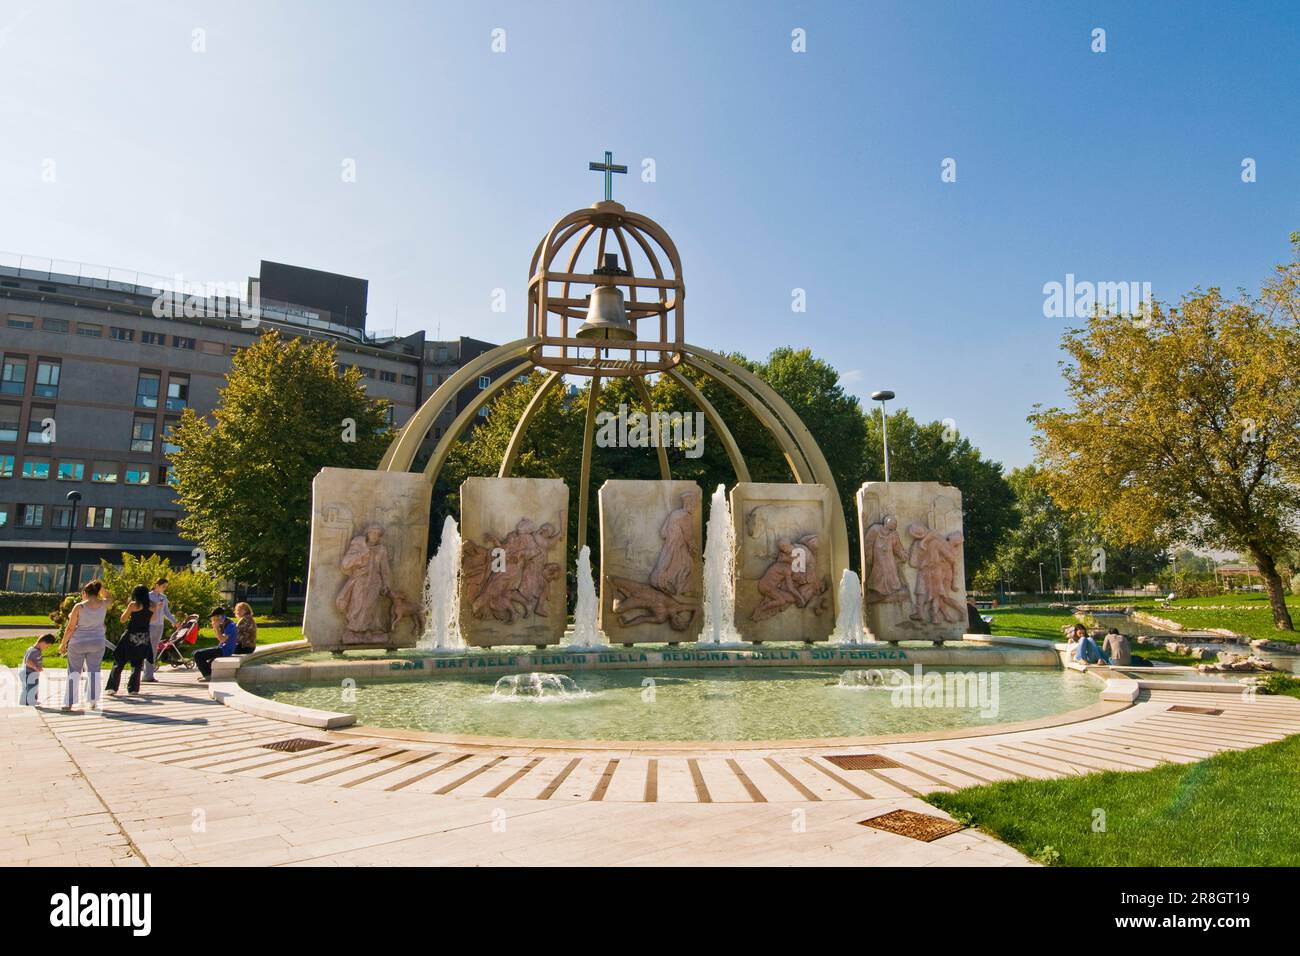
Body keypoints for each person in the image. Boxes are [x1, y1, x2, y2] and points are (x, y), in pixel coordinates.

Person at [58, 580, 113, 711]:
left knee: (74, 672)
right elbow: (110, 597)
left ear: (85, 593)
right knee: (94, 671)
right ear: (98, 592)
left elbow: (70, 628)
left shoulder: (79, 606)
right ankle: (93, 701)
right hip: (97, 642)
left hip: (78, 642)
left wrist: (63, 643)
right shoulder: (104, 604)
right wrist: (102, 587)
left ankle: (69, 703)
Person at [106, 585, 155, 696]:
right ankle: (133, 689)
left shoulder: (133, 605)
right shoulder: (153, 606)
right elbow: (153, 619)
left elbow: (123, 619)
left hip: (130, 636)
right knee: (137, 663)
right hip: (144, 637)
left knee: (119, 661)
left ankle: (112, 687)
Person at [143, 577, 177, 682]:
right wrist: (154, 607)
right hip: (149, 625)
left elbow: (167, 612)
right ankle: (140, 673)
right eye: (163, 586)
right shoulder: (147, 596)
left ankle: (149, 675)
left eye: (166, 587)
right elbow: (144, 609)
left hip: (159, 625)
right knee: (145, 649)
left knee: (153, 650)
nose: (164, 589)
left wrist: (174, 622)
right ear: (157, 585)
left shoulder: (163, 597)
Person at [193, 607, 238, 681]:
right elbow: (220, 639)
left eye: (213, 617)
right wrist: (215, 628)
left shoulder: (231, 625)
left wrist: (216, 628)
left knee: (197, 654)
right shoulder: (225, 623)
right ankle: (209, 674)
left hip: (226, 650)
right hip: (222, 648)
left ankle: (208, 675)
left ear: (219, 616)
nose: (212, 619)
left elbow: (222, 639)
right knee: (197, 654)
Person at [20, 634, 56, 706]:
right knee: (32, 688)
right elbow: (28, 661)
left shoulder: (33, 649)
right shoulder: (34, 651)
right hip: (29, 673)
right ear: (42, 642)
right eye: (47, 646)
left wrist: (38, 667)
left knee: (28, 688)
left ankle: (25, 702)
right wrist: (36, 667)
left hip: (28, 672)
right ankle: (30, 702)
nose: (47, 648)